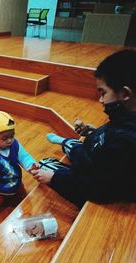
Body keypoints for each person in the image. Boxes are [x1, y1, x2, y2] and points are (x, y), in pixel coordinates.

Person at [32, 49, 136, 208]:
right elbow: (114, 133)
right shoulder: (127, 118)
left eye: (103, 93)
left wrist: (52, 178)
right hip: (96, 157)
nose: (100, 100)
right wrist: (92, 131)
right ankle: (63, 142)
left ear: (125, 93)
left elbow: (96, 189)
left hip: (94, 179)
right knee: (74, 146)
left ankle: (63, 146)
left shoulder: (127, 142)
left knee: (45, 164)